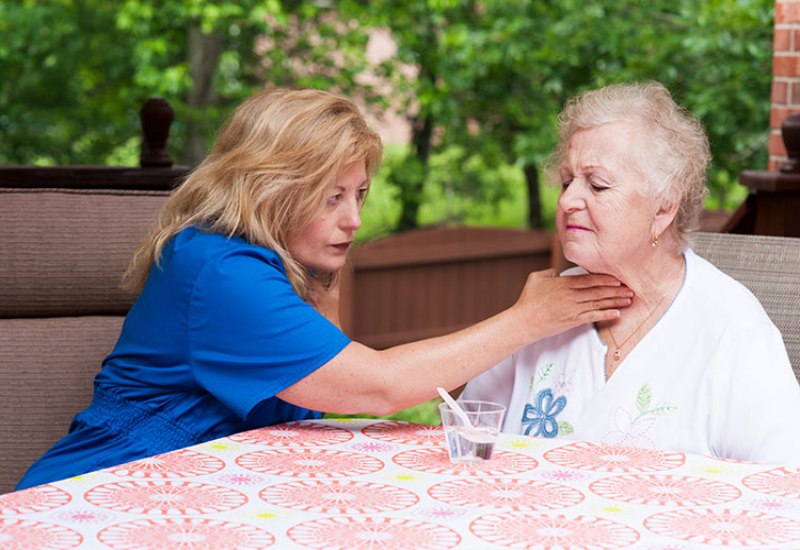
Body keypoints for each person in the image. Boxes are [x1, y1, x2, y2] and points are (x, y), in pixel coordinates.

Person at [16, 87, 633, 490]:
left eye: (359, 194)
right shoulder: (221, 271)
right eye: (331, 196)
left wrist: (322, 282)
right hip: (101, 494)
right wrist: (528, 319)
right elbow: (376, 386)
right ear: (272, 186)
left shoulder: (267, 262)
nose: (354, 220)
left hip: (192, 494)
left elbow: (323, 397)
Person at [462, 81, 800, 465]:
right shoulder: (541, 309)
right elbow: (469, 432)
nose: (568, 200)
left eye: (598, 185)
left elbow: (784, 484)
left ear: (664, 207)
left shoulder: (732, 328)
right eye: (567, 181)